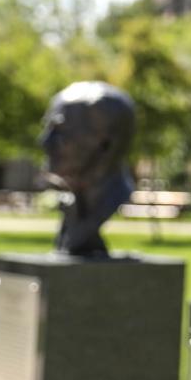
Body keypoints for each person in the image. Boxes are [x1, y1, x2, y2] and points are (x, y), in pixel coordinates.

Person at [40, 81, 135, 257]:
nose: (45, 142)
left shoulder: (114, 196)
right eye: (47, 128)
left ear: (105, 144)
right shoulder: (70, 205)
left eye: (61, 131)